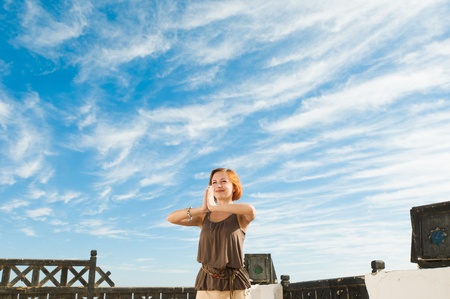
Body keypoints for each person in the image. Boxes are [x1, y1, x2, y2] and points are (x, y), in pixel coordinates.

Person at [167, 168, 256, 299]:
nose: (218, 185)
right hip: (208, 283)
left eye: (223, 181)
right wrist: (202, 209)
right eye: (214, 182)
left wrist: (214, 207)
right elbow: (171, 218)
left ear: (234, 187)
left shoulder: (240, 215)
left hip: (235, 285)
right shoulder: (203, 217)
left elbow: (250, 210)